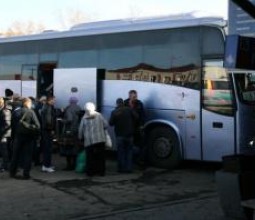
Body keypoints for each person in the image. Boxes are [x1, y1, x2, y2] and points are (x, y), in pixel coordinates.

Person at [9, 98, 40, 179]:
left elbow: (12, 126)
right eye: (30, 103)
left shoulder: (15, 112)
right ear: (27, 103)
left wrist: (13, 137)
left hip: (18, 136)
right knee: (28, 156)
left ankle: (12, 172)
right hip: (29, 137)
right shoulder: (31, 112)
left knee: (15, 155)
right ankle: (26, 174)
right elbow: (37, 126)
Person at [78, 102, 107, 176]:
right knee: (101, 157)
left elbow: (81, 129)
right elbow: (106, 124)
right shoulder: (99, 115)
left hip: (89, 141)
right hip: (100, 139)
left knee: (90, 157)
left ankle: (90, 172)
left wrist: (80, 137)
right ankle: (101, 172)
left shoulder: (84, 117)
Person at [109, 98, 138, 173]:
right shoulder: (129, 109)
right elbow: (136, 117)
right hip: (130, 135)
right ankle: (129, 169)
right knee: (129, 152)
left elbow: (111, 123)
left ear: (117, 103)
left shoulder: (114, 112)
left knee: (120, 152)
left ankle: (121, 169)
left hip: (119, 135)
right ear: (123, 103)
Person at [124, 90, 146, 164]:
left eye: (136, 96)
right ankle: (130, 161)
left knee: (139, 145)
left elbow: (143, 115)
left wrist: (142, 125)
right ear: (129, 96)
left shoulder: (139, 103)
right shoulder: (125, 103)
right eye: (133, 97)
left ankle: (138, 161)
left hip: (137, 128)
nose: (135, 98)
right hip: (128, 128)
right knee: (129, 145)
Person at [60, 97, 81, 170]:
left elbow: (69, 119)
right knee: (75, 148)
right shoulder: (79, 108)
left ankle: (69, 166)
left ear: (70, 101)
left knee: (68, 148)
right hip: (76, 130)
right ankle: (74, 164)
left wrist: (62, 120)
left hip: (69, 131)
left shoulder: (68, 108)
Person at [41, 95, 56, 173]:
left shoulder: (45, 106)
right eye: (54, 100)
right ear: (50, 100)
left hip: (45, 130)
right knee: (48, 148)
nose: (55, 101)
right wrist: (52, 129)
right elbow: (49, 120)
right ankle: (47, 166)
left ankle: (46, 165)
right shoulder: (49, 107)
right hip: (48, 130)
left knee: (46, 148)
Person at [0, 97, 11, 172]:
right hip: (2, 134)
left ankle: (5, 166)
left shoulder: (5, 112)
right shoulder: (4, 111)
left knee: (4, 151)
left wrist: (1, 133)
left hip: (2, 134)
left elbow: (7, 125)